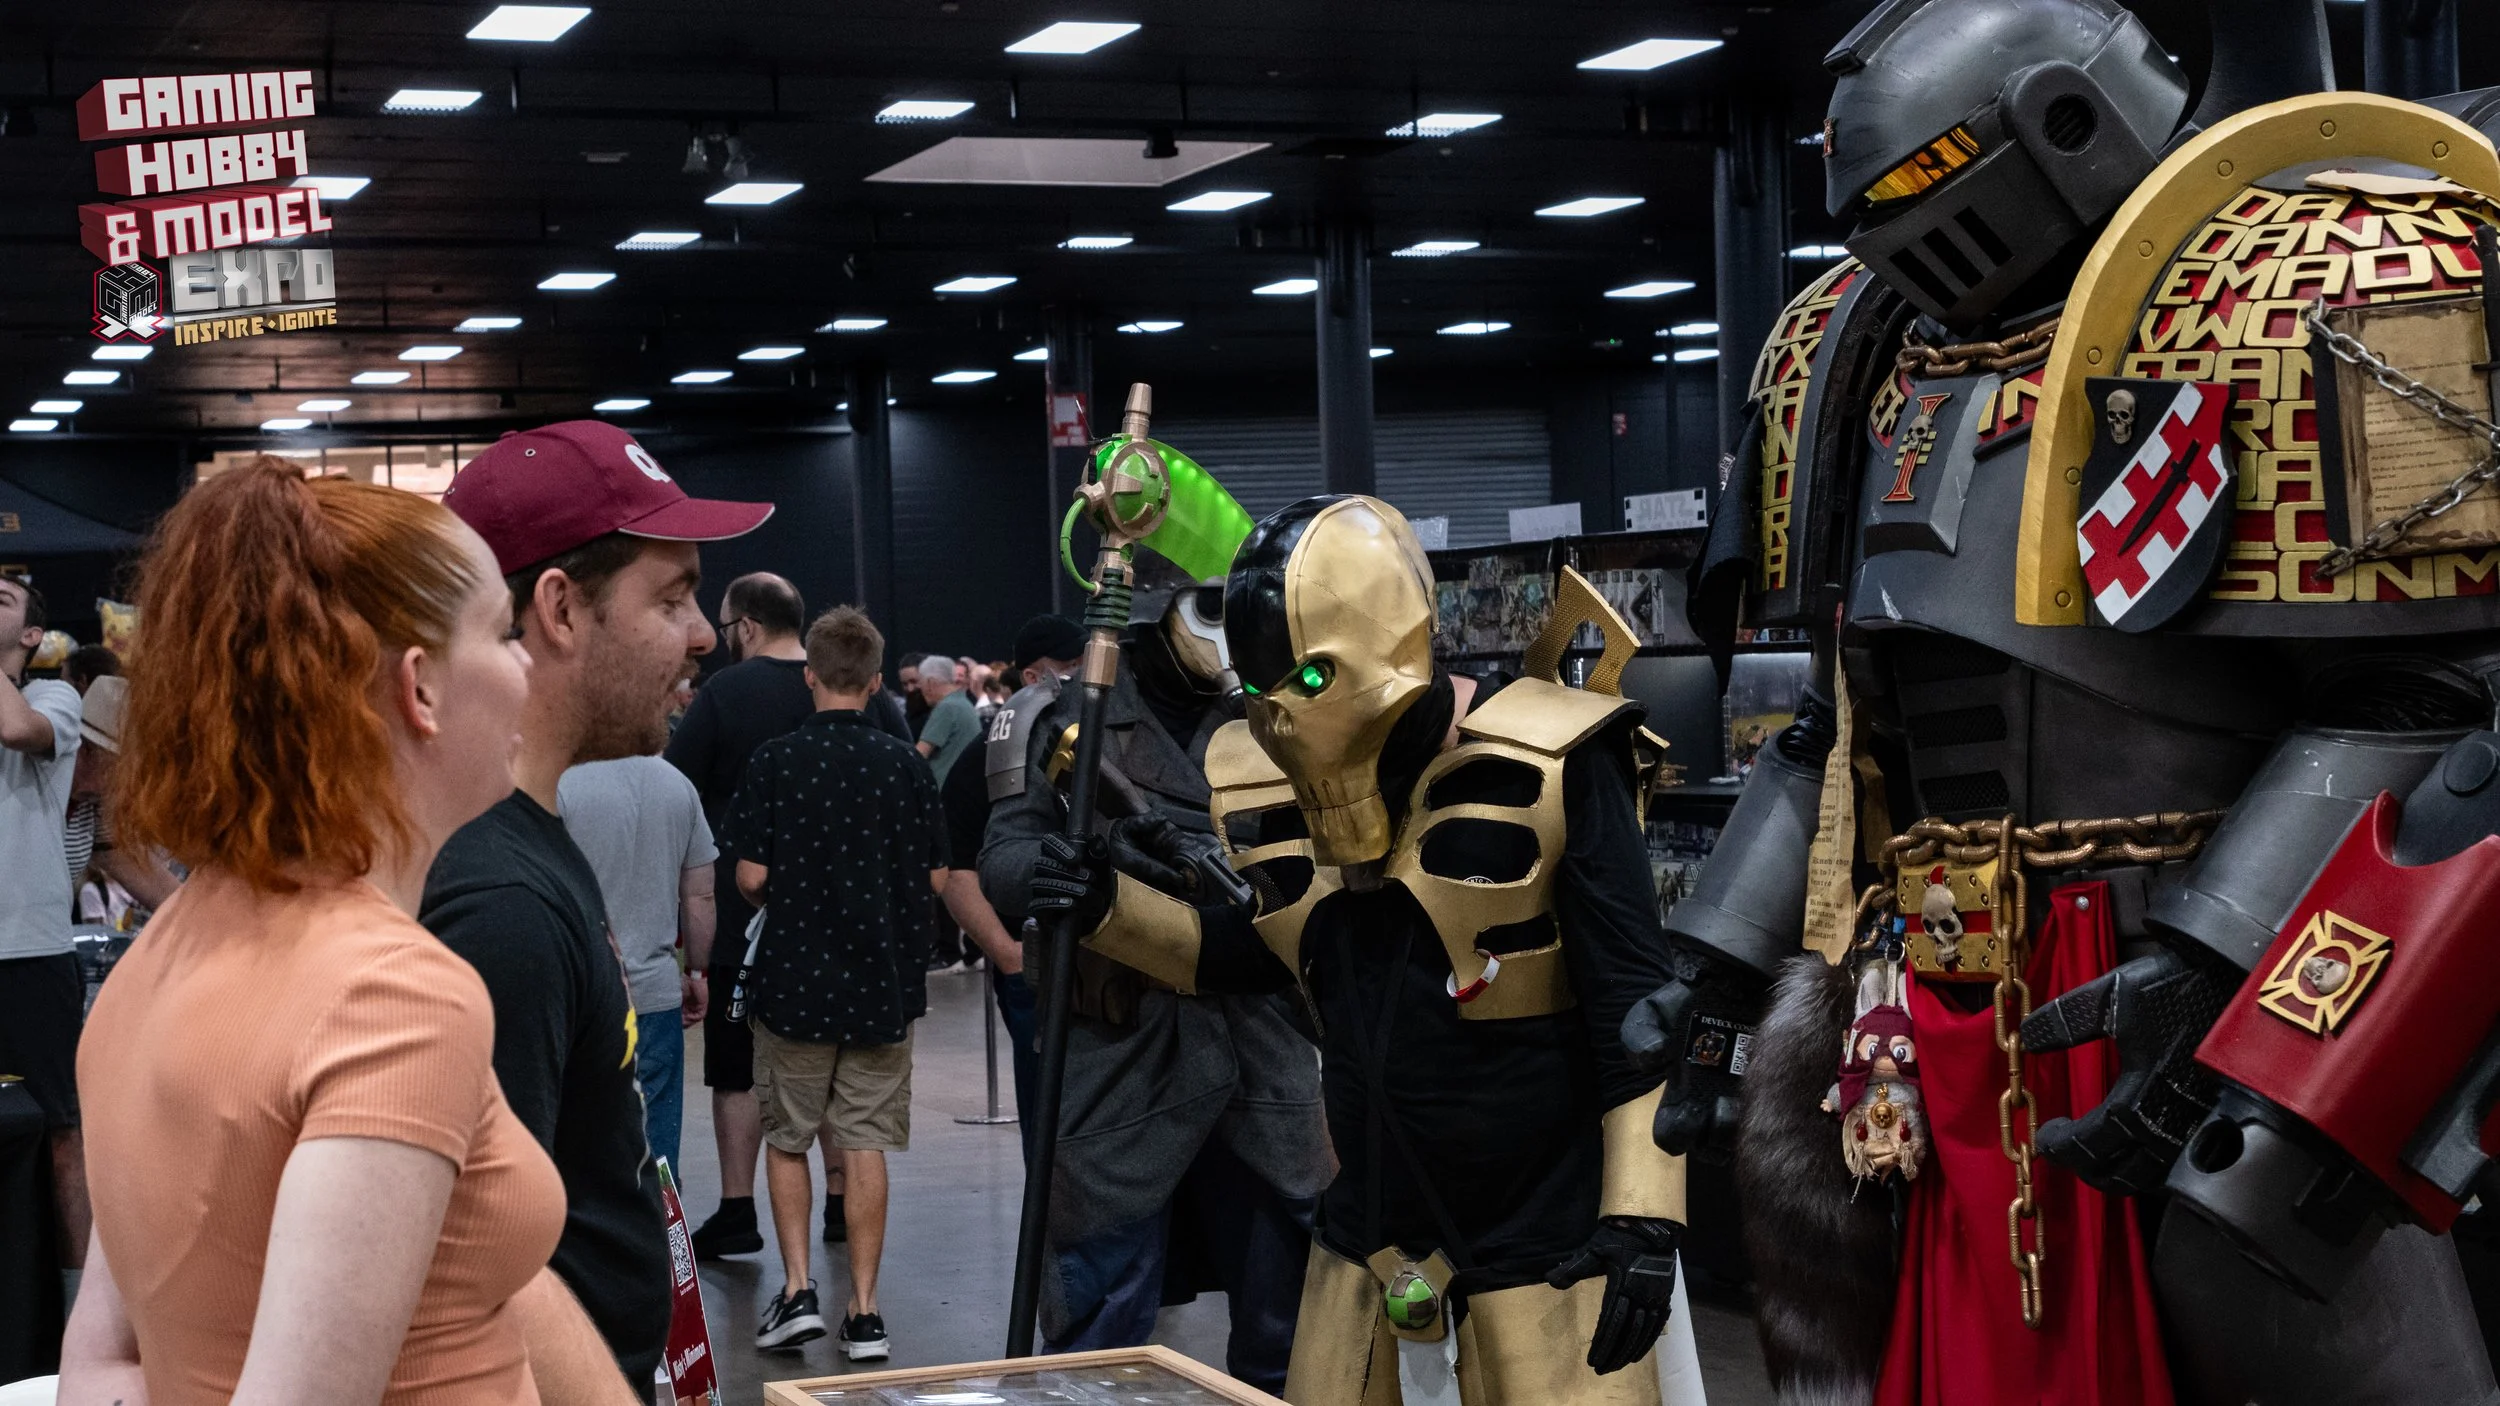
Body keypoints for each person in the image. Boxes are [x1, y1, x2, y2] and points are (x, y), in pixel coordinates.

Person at [1029, 498, 1705, 1404]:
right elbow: (1248, 951)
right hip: (1366, 1242)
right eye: (1264, 694)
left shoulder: (1548, 762)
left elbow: (1642, 1012)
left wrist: (1643, 1217)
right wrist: (1106, 905)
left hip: (1543, 1245)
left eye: (1309, 684)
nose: (1285, 724)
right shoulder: (1269, 786)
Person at [61, 460, 637, 1406]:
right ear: (421, 690)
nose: (527, 665)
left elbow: (100, 1372)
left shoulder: (161, 957)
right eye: (500, 633)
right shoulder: (393, 995)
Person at [421, 419, 773, 1386]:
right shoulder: (498, 902)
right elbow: (470, 1277)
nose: (705, 634)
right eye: (673, 599)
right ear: (561, 610)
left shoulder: (536, 841)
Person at [723, 606, 946, 1362]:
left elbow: (750, 873)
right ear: (878, 681)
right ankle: (866, 1314)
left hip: (793, 985)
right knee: (866, 1142)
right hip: (883, 986)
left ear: (810, 676)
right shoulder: (906, 764)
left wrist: (781, 899)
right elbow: (938, 875)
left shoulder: (776, 761)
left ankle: (795, 1294)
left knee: (788, 1139)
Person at [667, 573, 884, 1258]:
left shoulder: (726, 694)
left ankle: (738, 1211)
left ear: (748, 627)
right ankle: (841, 1201)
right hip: (845, 919)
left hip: (744, 915)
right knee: (829, 1061)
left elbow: (679, 785)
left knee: (735, 1069)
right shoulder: (851, 685)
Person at [941, 614, 1086, 1156]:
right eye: (1068, 668)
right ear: (1032, 677)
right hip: (1036, 967)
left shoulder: (1104, 741)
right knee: (1049, 1126)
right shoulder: (989, 757)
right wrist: (1007, 955)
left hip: (1112, 962)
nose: (1080, 678)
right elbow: (955, 871)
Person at [558, 755, 717, 1175]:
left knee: (579, 1142)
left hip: (581, 996)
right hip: (654, 994)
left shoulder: (562, 785)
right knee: (659, 1147)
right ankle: (671, 1237)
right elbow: (700, 896)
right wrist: (697, 972)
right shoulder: (678, 785)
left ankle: (595, 1237)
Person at [0, 574, 86, 1304]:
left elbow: (15, 730)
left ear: (32, 636)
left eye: (0, 602)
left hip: (29, 950)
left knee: (63, 1130)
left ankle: (75, 1302)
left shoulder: (55, 699)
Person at [63, 675, 182, 921]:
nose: (124, 784)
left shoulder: (95, 806)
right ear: (85, 748)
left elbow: (155, 887)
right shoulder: (30, 785)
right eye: (118, 769)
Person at [913, 655, 980, 785]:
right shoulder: (964, 704)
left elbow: (918, 755)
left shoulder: (947, 707)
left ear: (930, 683)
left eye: (921, 685)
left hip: (944, 792)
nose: (920, 691)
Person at [897, 652, 929, 736]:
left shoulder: (942, 712)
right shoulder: (906, 715)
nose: (910, 689)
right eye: (905, 684)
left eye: (914, 681)